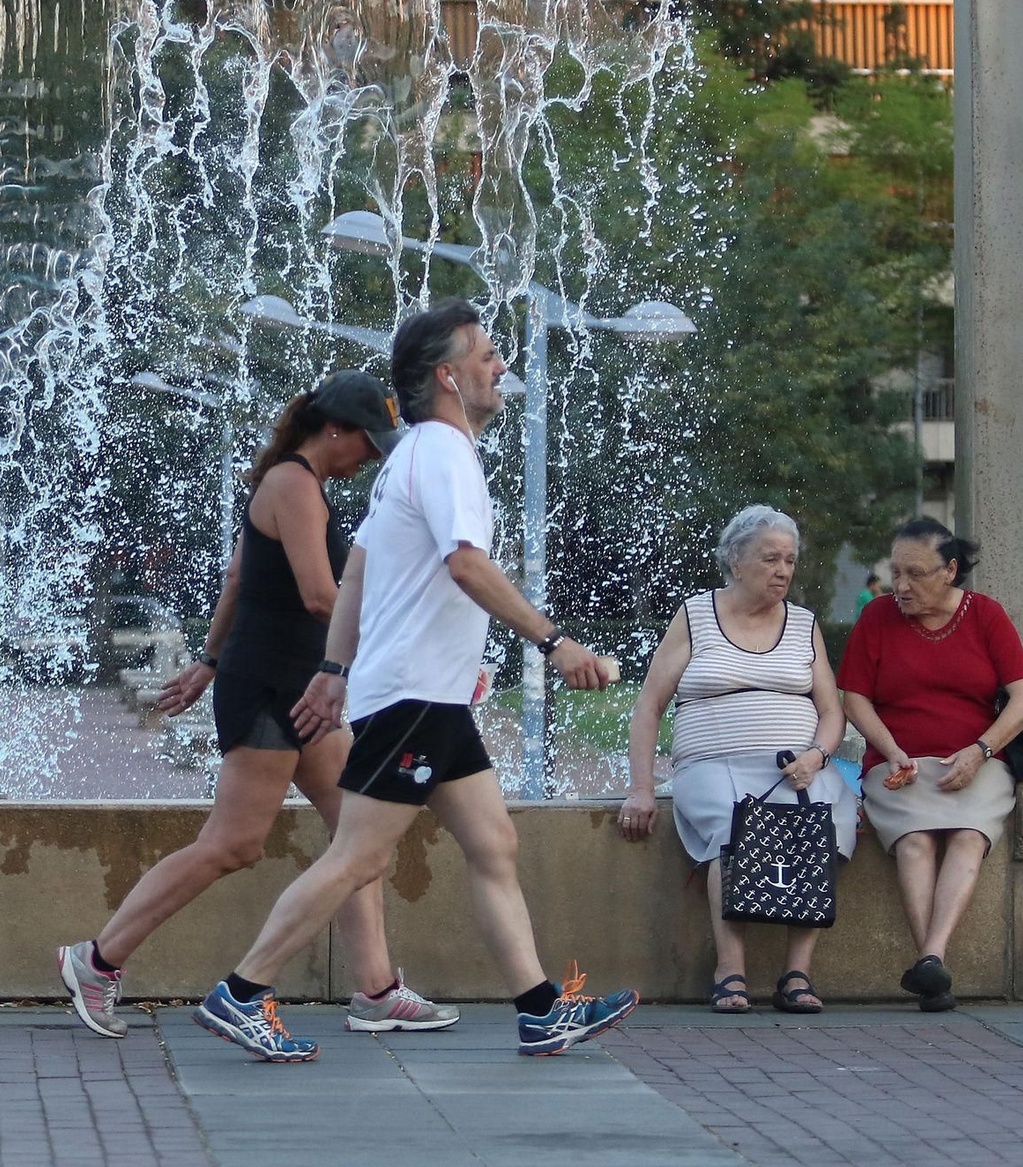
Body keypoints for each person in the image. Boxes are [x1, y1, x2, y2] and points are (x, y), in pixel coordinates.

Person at [191, 298, 639, 1062]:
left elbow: (359, 572)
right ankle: (242, 991)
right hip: (414, 695)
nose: (502, 367)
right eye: (488, 355)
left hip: (426, 693)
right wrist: (554, 642)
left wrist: (334, 671)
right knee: (360, 856)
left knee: (494, 841)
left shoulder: (411, 457)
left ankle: (538, 1009)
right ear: (448, 376)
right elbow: (466, 564)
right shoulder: (442, 451)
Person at [57, 370, 458, 1038]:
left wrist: (209, 661)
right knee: (233, 844)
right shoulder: (293, 485)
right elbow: (320, 596)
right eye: (368, 444)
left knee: (361, 837)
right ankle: (96, 961)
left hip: (294, 683)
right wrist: (409, 639)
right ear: (335, 430)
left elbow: (241, 578)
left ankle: (378, 989)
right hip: (276, 686)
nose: (370, 459)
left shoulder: (299, 485)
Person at [619, 506, 857, 1014]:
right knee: (734, 828)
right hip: (712, 764)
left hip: (797, 765)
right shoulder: (695, 614)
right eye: (770, 558)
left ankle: (797, 972)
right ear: (734, 560)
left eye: (790, 560)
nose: (783, 570)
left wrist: (817, 756)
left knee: (826, 822)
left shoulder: (804, 623)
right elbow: (648, 707)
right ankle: (730, 970)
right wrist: (641, 788)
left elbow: (832, 711)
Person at [836, 519, 1023, 1012]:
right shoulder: (878, 618)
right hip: (898, 762)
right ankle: (931, 967)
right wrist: (890, 749)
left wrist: (981, 750)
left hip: (976, 760)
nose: (901, 586)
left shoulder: (985, 615)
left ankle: (929, 957)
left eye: (916, 574)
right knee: (915, 840)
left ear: (950, 571)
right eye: (896, 572)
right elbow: (854, 698)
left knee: (970, 835)